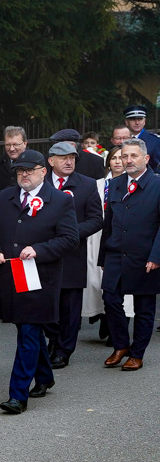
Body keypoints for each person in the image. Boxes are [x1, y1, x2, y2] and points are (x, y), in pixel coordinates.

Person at [0, 150, 78, 414]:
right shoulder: (5, 197)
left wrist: (39, 250)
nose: (23, 175)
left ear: (43, 171)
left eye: (29, 170)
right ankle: (45, 377)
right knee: (29, 330)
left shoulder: (60, 201)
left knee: (27, 331)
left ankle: (17, 395)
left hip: (40, 278)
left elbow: (70, 239)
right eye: (19, 171)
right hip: (11, 276)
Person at [99, 138, 160, 371]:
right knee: (110, 300)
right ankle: (121, 346)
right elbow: (109, 223)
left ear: (146, 159)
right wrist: (103, 257)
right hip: (116, 254)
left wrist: (156, 257)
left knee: (144, 307)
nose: (128, 160)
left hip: (146, 257)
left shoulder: (157, 184)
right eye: (124, 156)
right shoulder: (115, 184)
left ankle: (137, 353)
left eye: (133, 156)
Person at [44, 143, 103, 369]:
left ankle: (64, 350)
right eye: (63, 158)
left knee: (69, 306)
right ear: (50, 161)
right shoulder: (41, 182)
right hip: (45, 253)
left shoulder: (86, 185)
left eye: (72, 158)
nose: (69, 162)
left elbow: (96, 219)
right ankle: (52, 340)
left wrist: (70, 234)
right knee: (48, 302)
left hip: (72, 254)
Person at [82, 146, 134, 341]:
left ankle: (118, 327)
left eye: (122, 158)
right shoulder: (97, 184)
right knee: (96, 281)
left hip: (121, 236)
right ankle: (103, 315)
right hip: (97, 237)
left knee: (119, 283)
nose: (118, 161)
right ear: (108, 162)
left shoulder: (130, 184)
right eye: (114, 158)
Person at [123, 105, 160, 173]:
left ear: (144, 121)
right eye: (133, 119)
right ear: (126, 122)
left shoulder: (155, 141)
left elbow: (157, 168)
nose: (137, 123)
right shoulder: (121, 138)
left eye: (140, 119)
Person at [0, 126, 27, 192]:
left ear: (25, 143)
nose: (11, 149)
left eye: (15, 145)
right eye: (8, 145)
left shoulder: (35, 162)